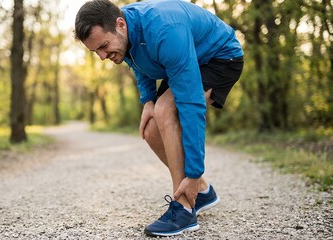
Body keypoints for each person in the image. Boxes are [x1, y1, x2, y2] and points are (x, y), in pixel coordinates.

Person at [74, 0, 244, 237]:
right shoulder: (126, 31)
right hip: (188, 57)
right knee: (151, 127)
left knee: (166, 110)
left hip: (219, 57)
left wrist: (193, 172)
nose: (102, 56)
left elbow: (192, 107)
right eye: (96, 52)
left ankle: (184, 208)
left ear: (120, 25)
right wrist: (148, 100)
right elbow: (136, 60)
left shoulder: (164, 31)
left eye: (104, 46)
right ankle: (203, 192)